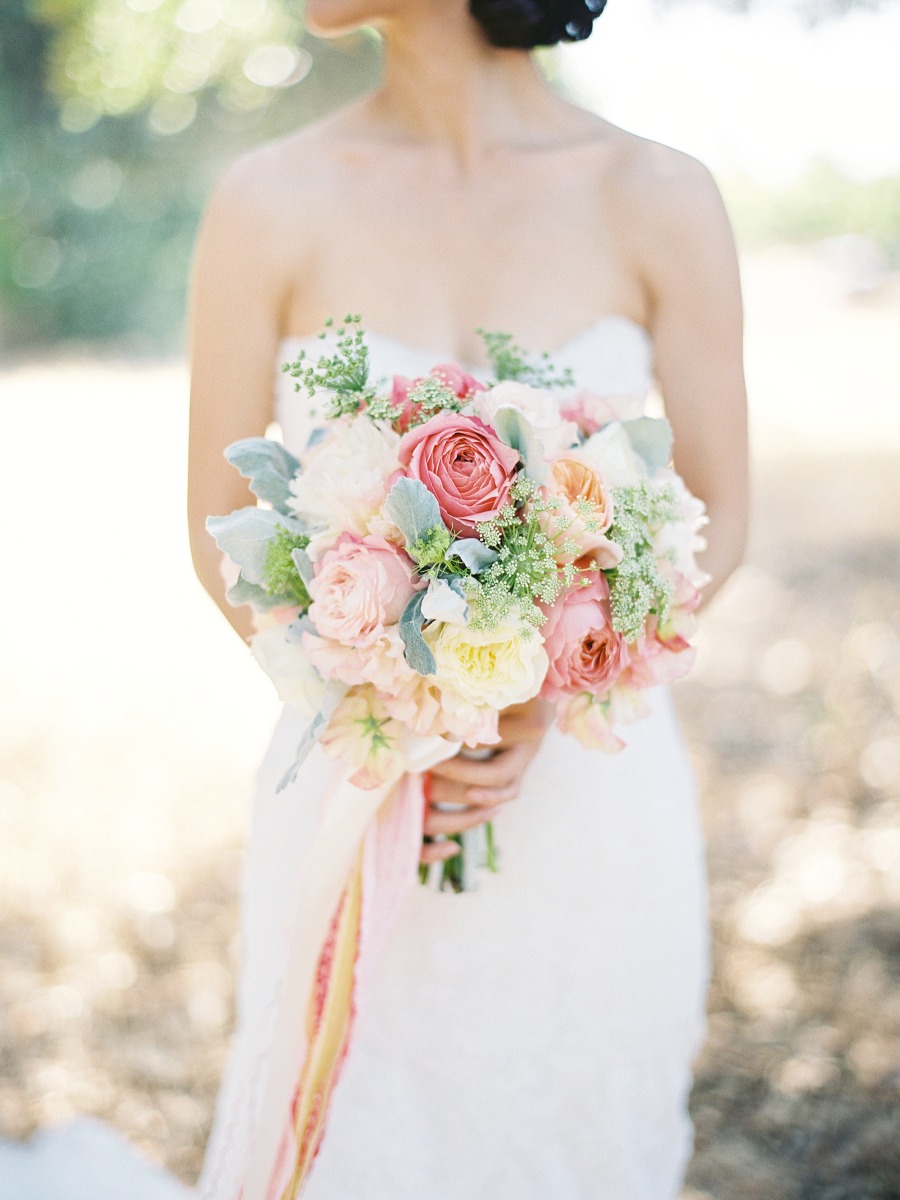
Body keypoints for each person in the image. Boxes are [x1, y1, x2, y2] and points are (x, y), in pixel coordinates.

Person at [187, 1, 749, 1197]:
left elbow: (721, 512)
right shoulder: (266, 199)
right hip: (357, 774)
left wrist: (546, 686)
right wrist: (396, 698)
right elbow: (216, 532)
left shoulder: (660, 194)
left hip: (593, 792)